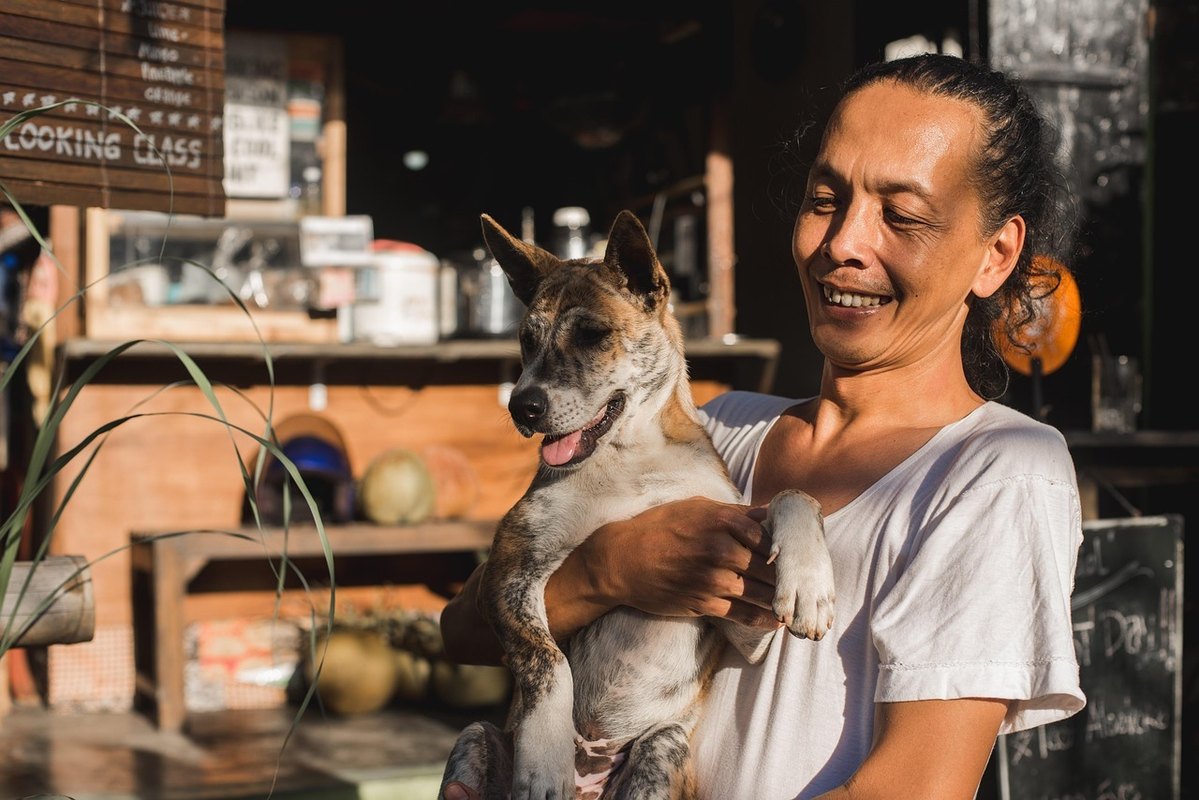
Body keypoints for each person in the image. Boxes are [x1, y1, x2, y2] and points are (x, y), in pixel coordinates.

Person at [438, 51, 1086, 800]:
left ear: (995, 254)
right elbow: (465, 630)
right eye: (823, 199)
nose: (844, 242)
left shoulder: (997, 469)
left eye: (901, 215)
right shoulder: (714, 431)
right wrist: (607, 568)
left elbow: (910, 789)